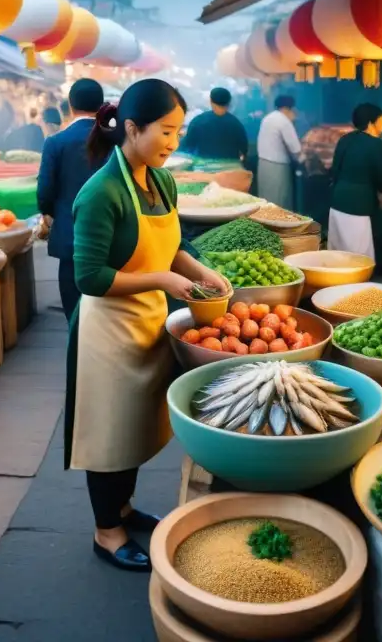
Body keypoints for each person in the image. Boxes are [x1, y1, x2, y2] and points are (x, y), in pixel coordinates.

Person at [66, 79, 229, 572]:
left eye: (179, 132)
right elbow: (89, 277)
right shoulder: (101, 193)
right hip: (107, 333)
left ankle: (124, 508)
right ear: (132, 129)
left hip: (148, 322)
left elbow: (172, 244)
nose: (174, 143)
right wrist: (161, 279)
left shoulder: (162, 180)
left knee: (136, 428)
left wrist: (198, 270)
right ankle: (107, 532)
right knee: (107, 435)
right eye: (166, 131)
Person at [37, 79, 105, 320]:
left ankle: (77, 345)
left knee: (74, 307)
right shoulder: (117, 140)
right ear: (101, 105)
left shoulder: (56, 142)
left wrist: (49, 215)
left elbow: (45, 190)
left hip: (70, 234)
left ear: (70, 105)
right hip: (113, 234)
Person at [328, 103, 382, 258]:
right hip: (357, 207)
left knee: (337, 256)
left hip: (337, 202)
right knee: (359, 259)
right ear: (371, 123)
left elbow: (335, 169)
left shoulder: (345, 139)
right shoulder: (375, 143)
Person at [180, 87, 248, 161]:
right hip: (230, 167)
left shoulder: (199, 121)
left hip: (205, 166)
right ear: (229, 102)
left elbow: (188, 144)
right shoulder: (236, 124)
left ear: (211, 101)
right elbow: (244, 149)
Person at [257, 95, 301, 209]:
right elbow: (295, 148)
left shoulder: (268, 118)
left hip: (263, 165)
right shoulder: (284, 121)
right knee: (279, 202)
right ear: (289, 108)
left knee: (266, 201)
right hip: (277, 167)